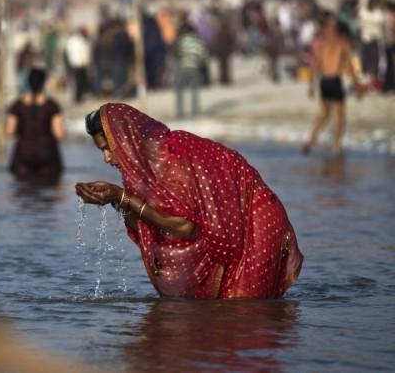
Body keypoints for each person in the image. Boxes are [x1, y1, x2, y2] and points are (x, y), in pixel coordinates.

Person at [75, 104, 303, 299]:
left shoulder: (171, 160)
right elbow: (146, 225)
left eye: (108, 149)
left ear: (124, 140)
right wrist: (114, 200)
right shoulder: (138, 172)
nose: (106, 158)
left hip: (254, 218)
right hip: (230, 225)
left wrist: (122, 197)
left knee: (245, 312)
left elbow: (186, 225)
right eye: (101, 151)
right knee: (219, 323)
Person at [302, 14, 362, 156]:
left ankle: (309, 141)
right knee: (340, 117)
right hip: (334, 81)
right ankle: (336, 148)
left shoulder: (322, 45)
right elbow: (351, 66)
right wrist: (357, 85)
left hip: (324, 82)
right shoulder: (343, 43)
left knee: (324, 115)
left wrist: (311, 85)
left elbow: (314, 65)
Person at [6, 68, 64, 183]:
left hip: (23, 154)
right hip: (47, 154)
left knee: (22, 190)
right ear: (44, 83)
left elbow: (10, 131)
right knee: (48, 191)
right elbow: (60, 134)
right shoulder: (52, 105)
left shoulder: (17, 105)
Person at [174, 21, 207, 118]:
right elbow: (203, 54)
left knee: (179, 90)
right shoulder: (198, 41)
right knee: (194, 90)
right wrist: (199, 62)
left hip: (183, 67)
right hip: (194, 67)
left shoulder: (181, 40)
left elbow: (177, 52)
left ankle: (180, 111)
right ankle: (195, 111)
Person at [64, 27, 92, 103]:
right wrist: (76, 62)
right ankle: (77, 97)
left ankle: (80, 96)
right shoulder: (75, 41)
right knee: (77, 81)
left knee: (82, 81)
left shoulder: (83, 40)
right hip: (77, 64)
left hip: (82, 64)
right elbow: (74, 53)